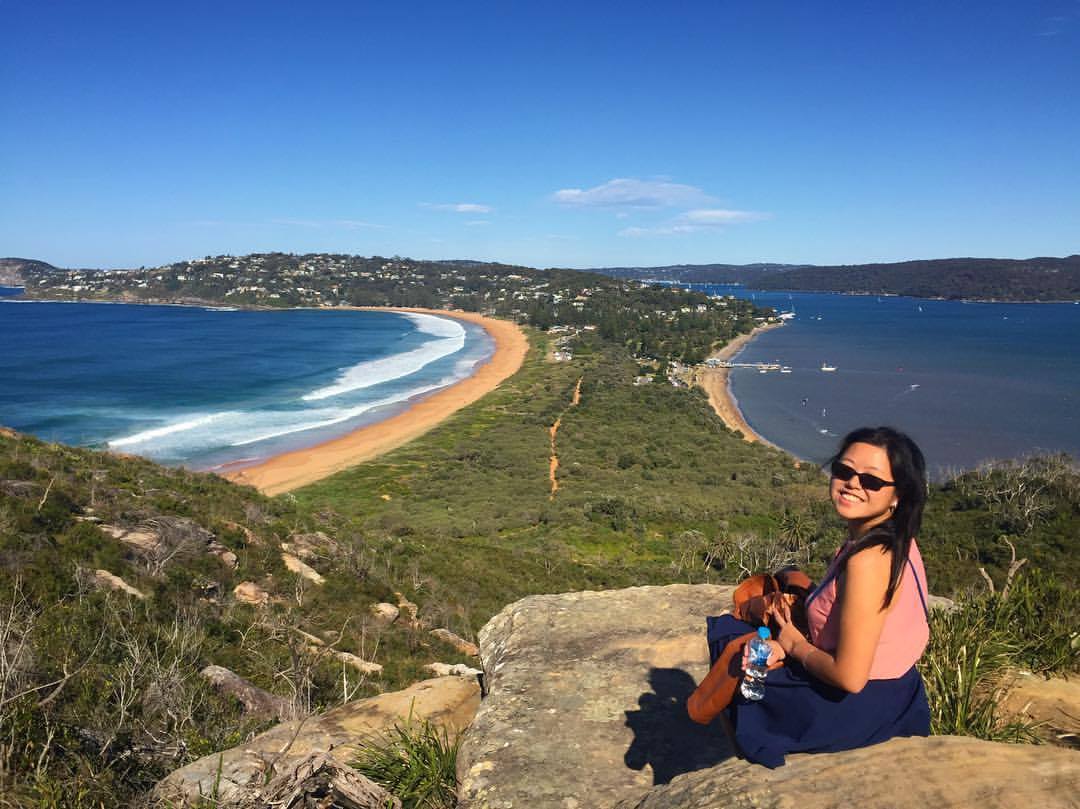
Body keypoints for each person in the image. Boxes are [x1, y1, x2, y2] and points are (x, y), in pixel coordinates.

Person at [692, 426, 932, 767]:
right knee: (748, 644)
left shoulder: (867, 561)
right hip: (902, 693)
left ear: (898, 495)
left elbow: (850, 677)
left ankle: (746, 751)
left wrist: (793, 645)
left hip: (857, 709)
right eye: (844, 471)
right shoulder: (897, 541)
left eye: (872, 481)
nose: (853, 483)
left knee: (728, 638)